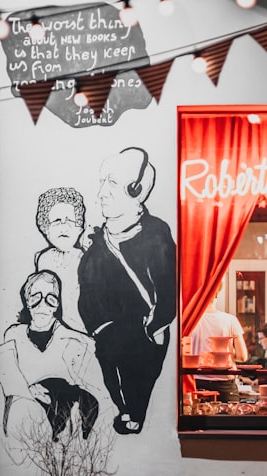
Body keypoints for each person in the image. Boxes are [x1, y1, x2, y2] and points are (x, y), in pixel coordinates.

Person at [78, 147, 175, 435]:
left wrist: (152, 329)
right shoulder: (96, 243)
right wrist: (97, 330)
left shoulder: (156, 234)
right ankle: (127, 412)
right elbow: (87, 291)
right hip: (106, 338)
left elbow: (168, 291)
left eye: (112, 183)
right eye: (102, 182)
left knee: (134, 395)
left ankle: (132, 414)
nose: (101, 193)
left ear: (137, 189)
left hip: (142, 338)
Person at [0, 270, 105, 440]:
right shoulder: (13, 335)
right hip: (22, 424)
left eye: (50, 298)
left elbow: (93, 390)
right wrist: (29, 391)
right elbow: (6, 378)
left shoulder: (78, 341)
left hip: (63, 426)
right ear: (27, 301)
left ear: (57, 304)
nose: (43, 305)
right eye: (35, 297)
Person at [34, 187, 88, 333]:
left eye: (70, 221)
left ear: (79, 227)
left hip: (84, 331)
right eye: (57, 221)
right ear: (45, 227)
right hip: (55, 332)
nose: (64, 227)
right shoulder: (43, 259)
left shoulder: (85, 259)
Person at [189, 290, 249, 403]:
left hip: (197, 382)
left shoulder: (190, 321)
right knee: (227, 420)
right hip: (225, 383)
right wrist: (223, 354)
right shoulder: (230, 320)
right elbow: (242, 356)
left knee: (196, 420)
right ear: (216, 296)